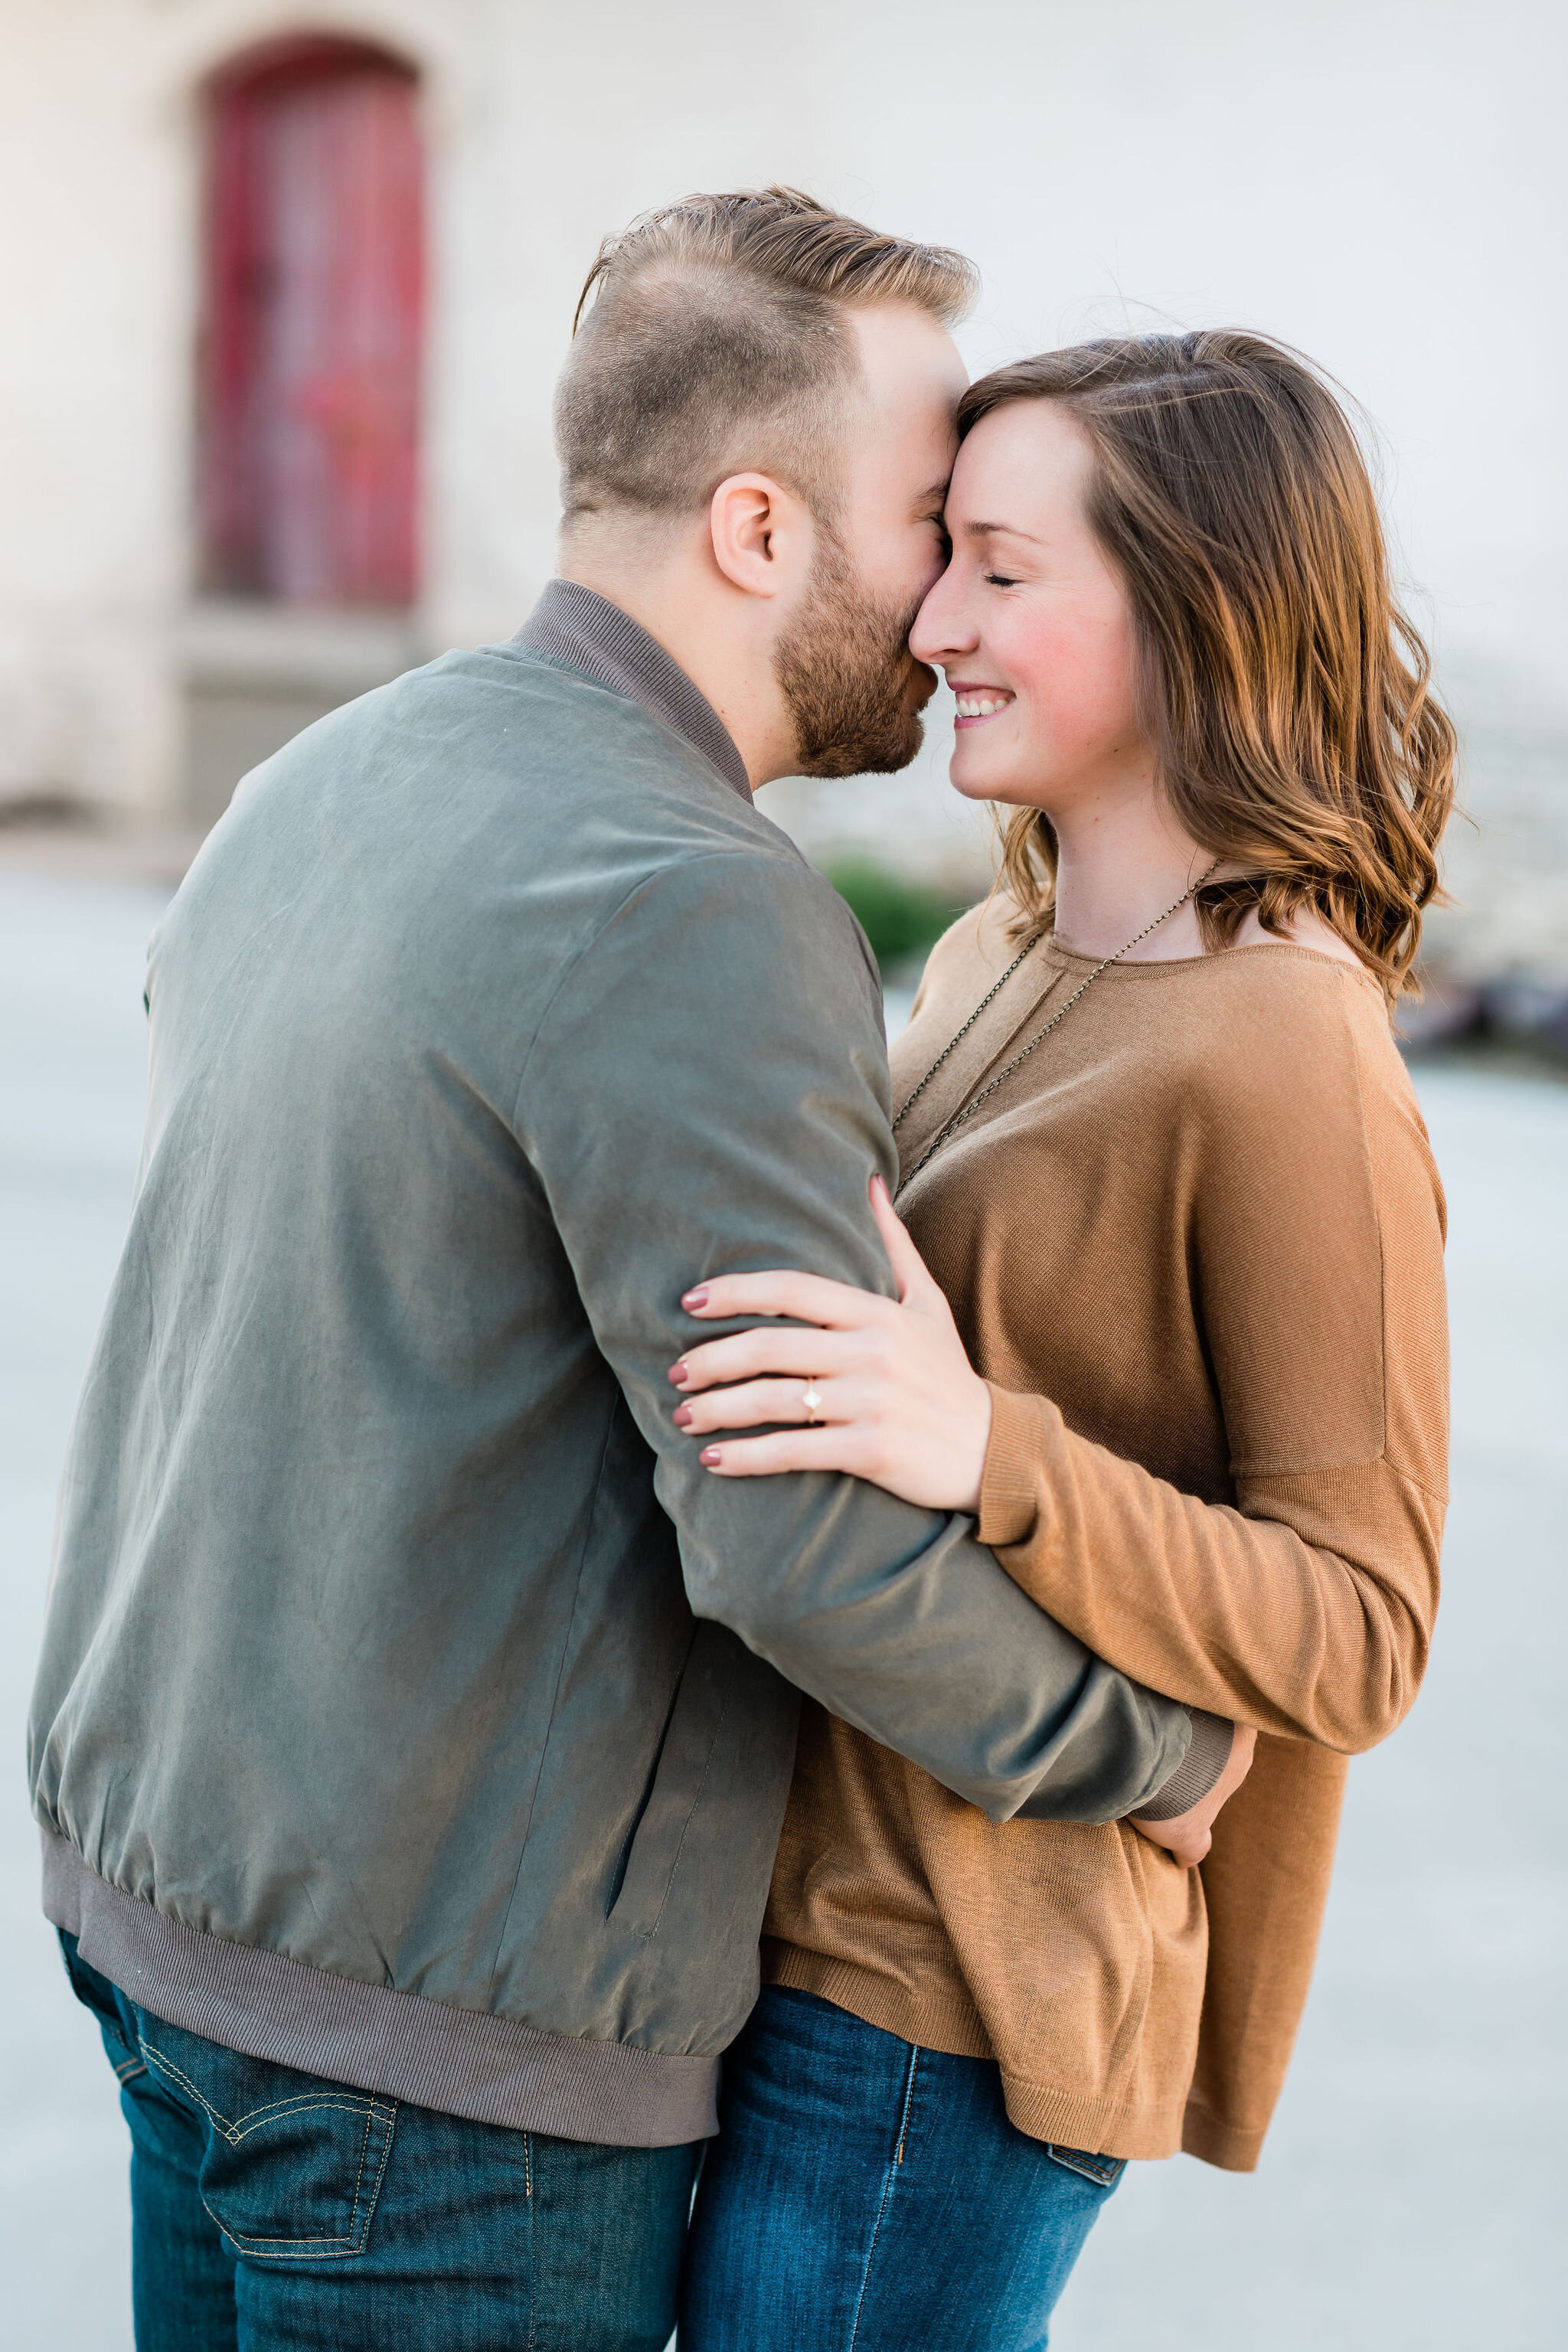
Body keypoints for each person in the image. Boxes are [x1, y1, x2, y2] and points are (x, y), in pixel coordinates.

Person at [28, 199, 1240, 2351]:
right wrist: (1149, 1745)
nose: (953, 584)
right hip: (442, 2068)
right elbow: (798, 1539)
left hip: (161, 1931)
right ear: (762, 529)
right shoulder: (691, 899)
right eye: (929, 512)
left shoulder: (327, 773)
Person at [673, 331, 1455, 2350]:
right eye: (946, 554)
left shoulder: (1288, 1047)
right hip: (783, 1940)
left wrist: (987, 1447)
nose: (932, 622)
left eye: (1002, 571)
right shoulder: (1008, 936)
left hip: (948, 2025)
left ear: (1193, 608)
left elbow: (1362, 1630)